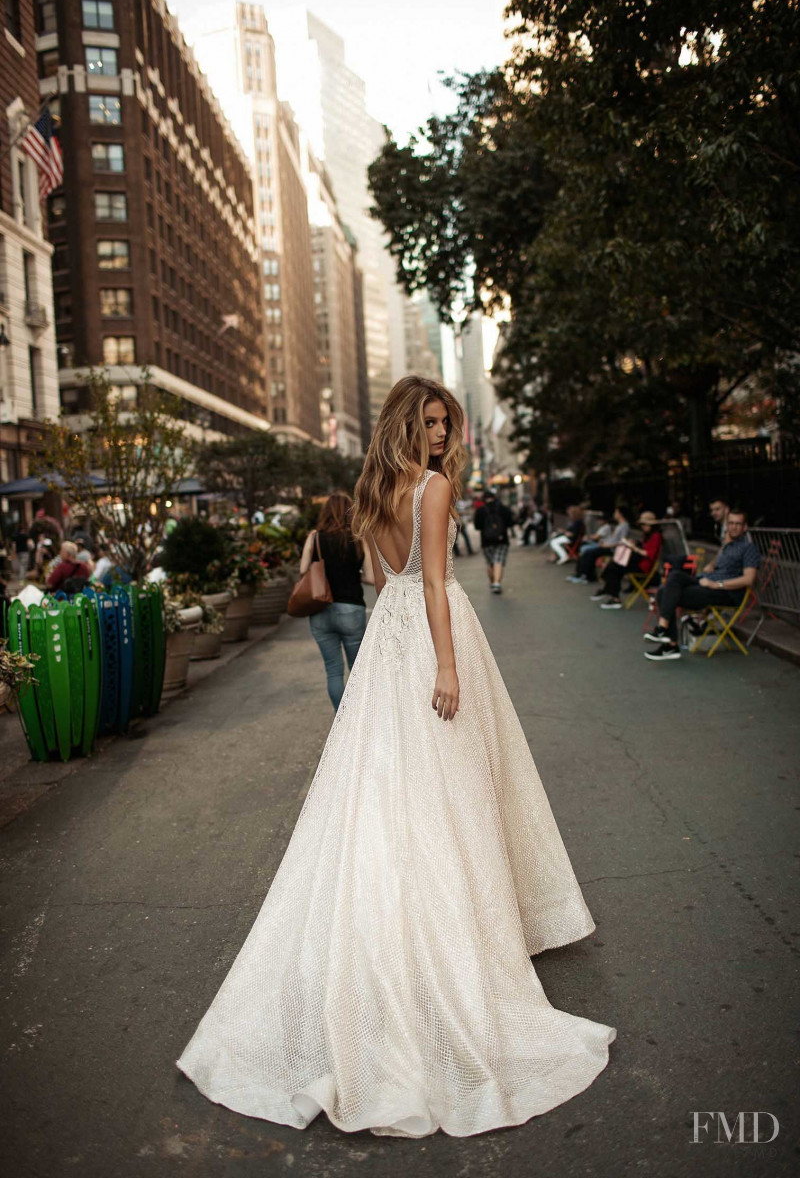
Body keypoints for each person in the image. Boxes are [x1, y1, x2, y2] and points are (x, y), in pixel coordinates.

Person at [175, 374, 615, 1138]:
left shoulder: (373, 493)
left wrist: (409, 644)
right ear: (410, 426)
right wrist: (446, 665)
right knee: (452, 785)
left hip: (386, 643)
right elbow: (437, 583)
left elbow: (385, 583)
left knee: (387, 790)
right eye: (433, 422)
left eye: (446, 423)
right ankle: (455, 942)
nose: (443, 435)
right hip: (432, 641)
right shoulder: (434, 490)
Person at [643, 508, 760, 661]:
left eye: (738, 524)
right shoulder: (727, 544)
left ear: (745, 527)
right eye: (731, 523)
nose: (734, 527)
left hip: (724, 592)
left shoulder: (748, 548)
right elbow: (717, 564)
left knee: (665, 593)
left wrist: (715, 584)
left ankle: (667, 641)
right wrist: (713, 563)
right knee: (674, 576)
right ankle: (664, 632)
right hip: (705, 581)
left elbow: (748, 580)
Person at [298, 491, 373, 710]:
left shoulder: (315, 537)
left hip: (320, 609)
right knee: (357, 670)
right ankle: (359, 720)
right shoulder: (357, 538)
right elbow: (369, 577)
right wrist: (351, 574)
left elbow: (303, 570)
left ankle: (340, 720)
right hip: (351, 608)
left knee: (333, 669)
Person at [591, 512, 663, 609]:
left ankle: (614, 596)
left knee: (614, 567)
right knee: (614, 565)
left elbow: (649, 554)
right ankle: (610, 592)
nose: (643, 527)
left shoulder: (656, 536)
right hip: (639, 562)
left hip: (644, 565)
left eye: (645, 525)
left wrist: (634, 547)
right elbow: (642, 546)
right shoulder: (648, 535)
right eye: (642, 525)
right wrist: (633, 544)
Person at [567, 506, 631, 585]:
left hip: (611, 548)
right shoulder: (620, 525)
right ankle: (580, 573)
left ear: (620, 514)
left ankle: (587, 576)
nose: (614, 514)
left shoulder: (624, 526)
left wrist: (607, 545)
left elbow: (622, 542)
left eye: (616, 512)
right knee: (586, 551)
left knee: (589, 553)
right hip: (606, 545)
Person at [473, 486, 515, 593]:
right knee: (499, 560)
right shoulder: (503, 508)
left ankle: (493, 583)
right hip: (502, 539)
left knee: (490, 562)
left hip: (486, 540)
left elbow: (477, 526)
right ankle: (496, 583)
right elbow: (510, 522)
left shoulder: (480, 510)